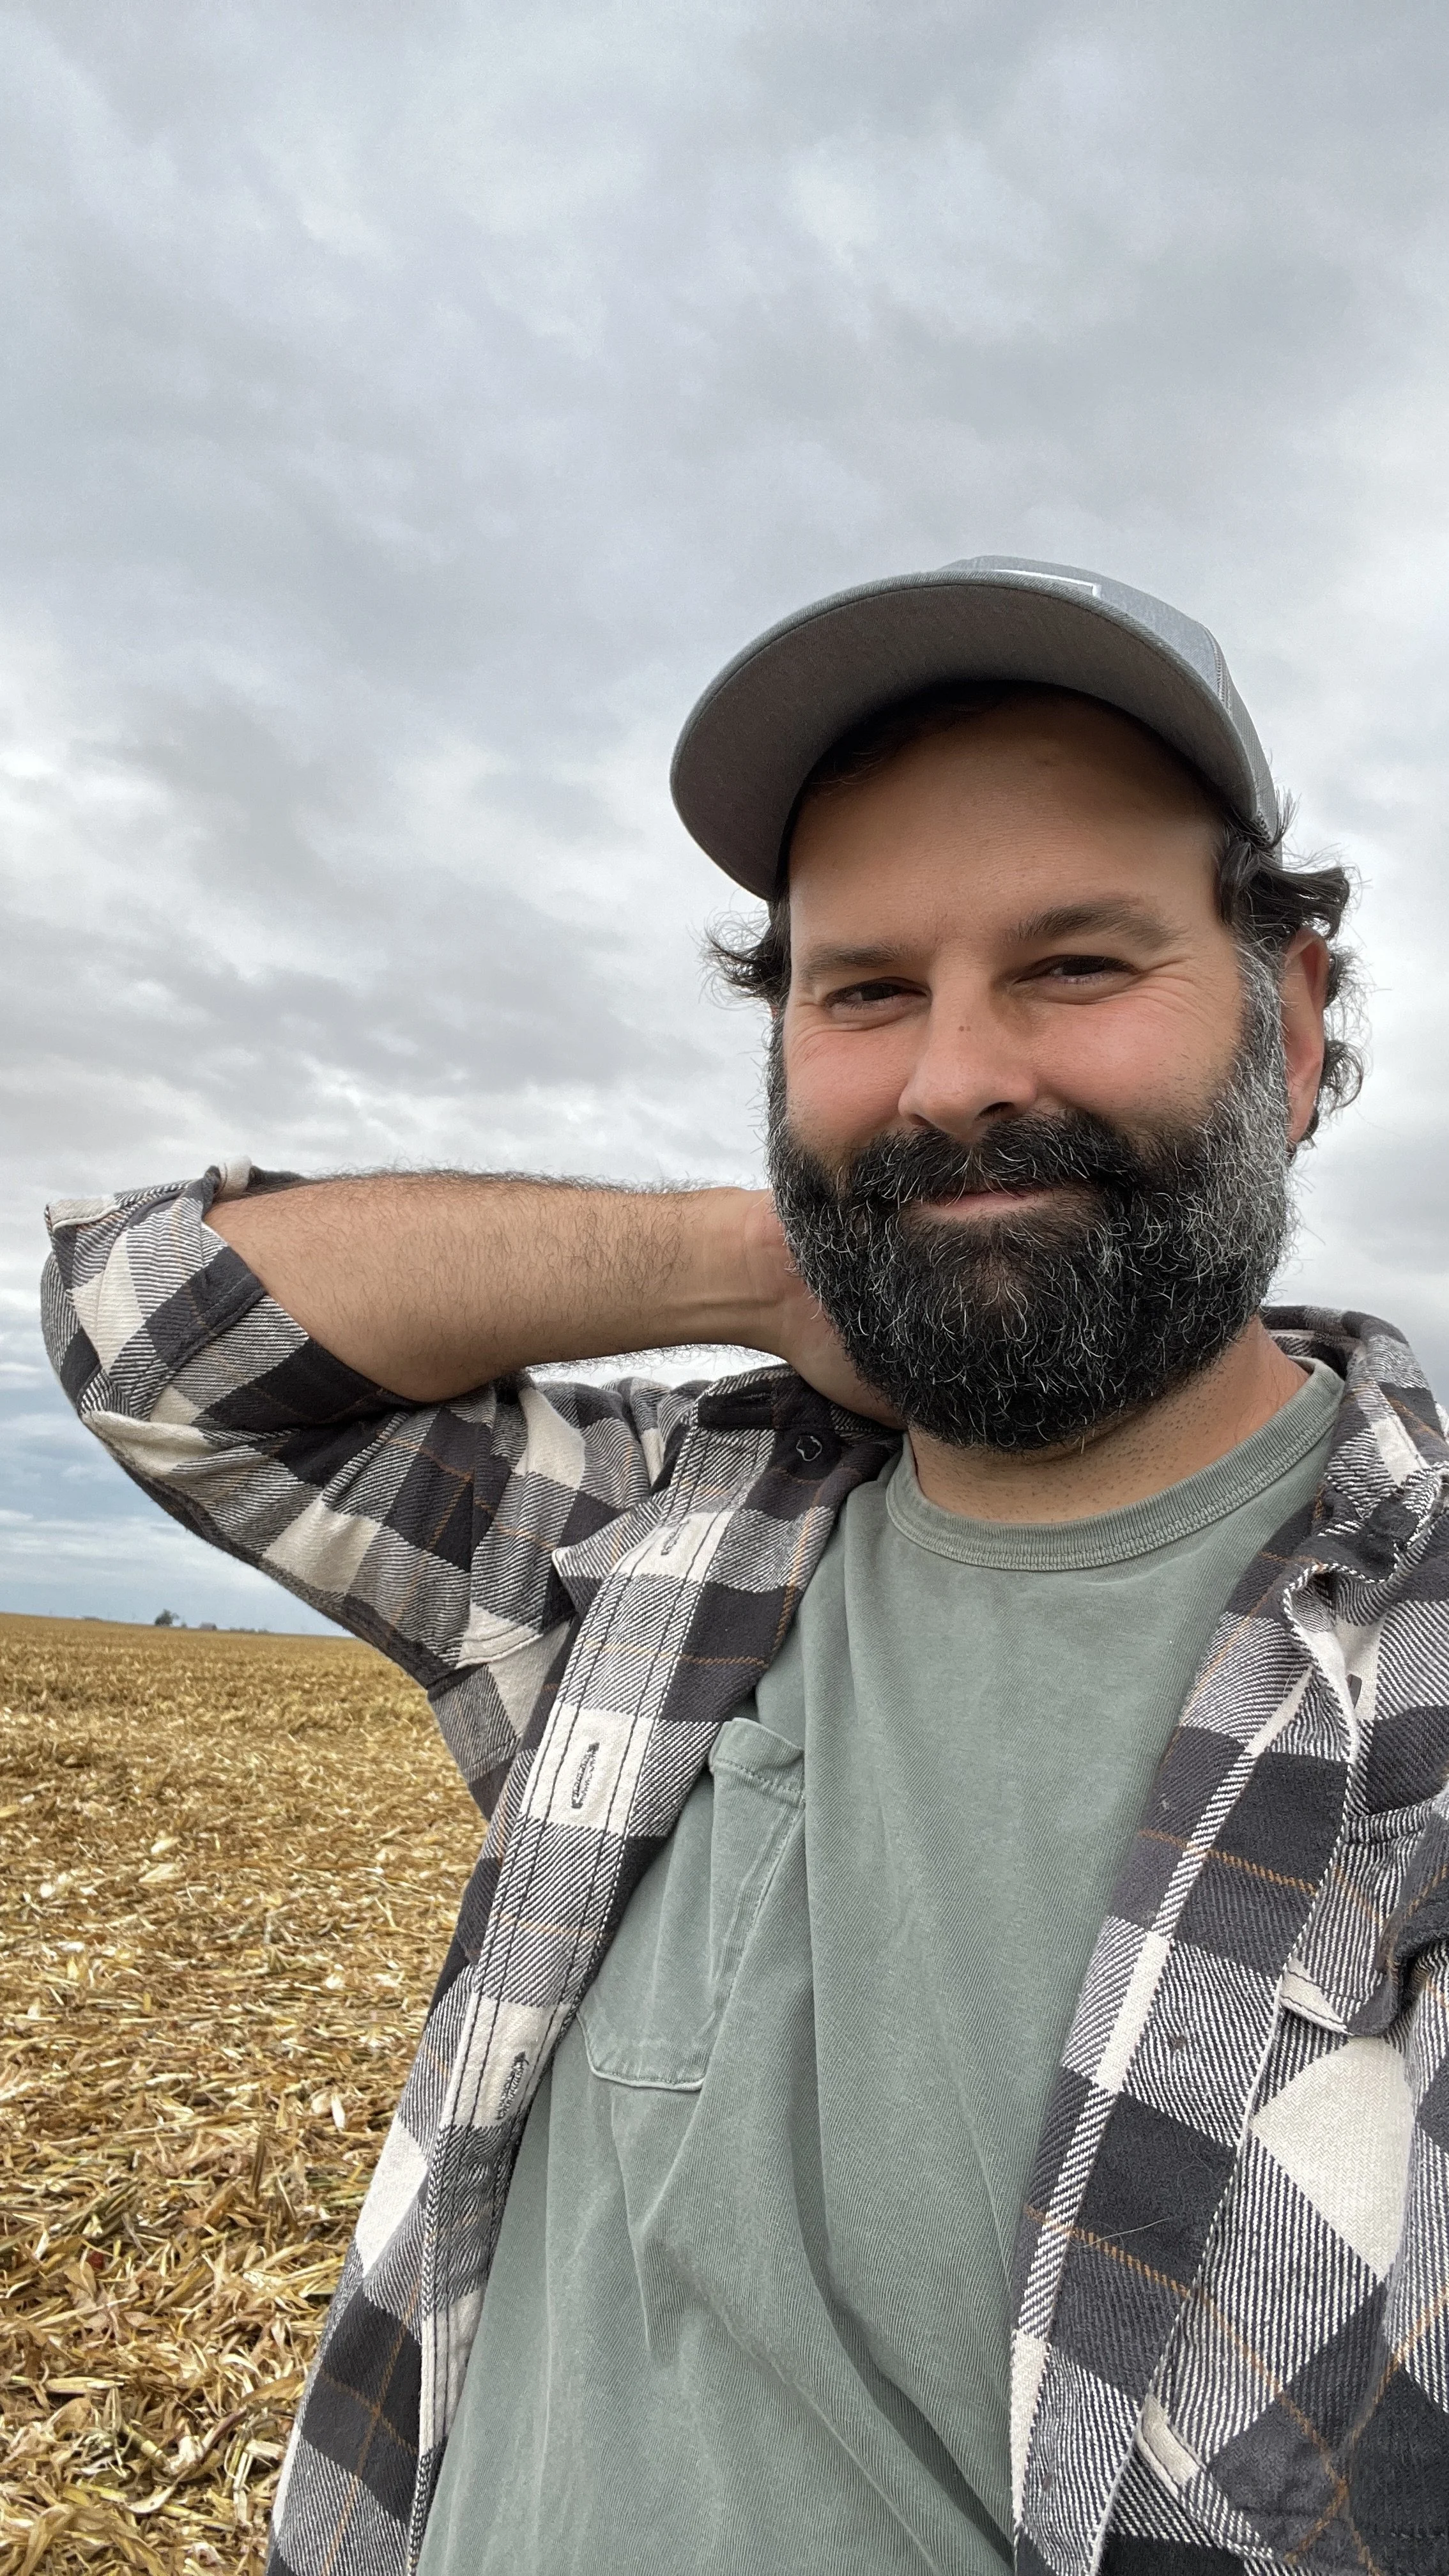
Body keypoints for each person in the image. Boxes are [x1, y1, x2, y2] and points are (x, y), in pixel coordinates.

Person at [42, 558, 1449, 2576]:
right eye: (863, 991)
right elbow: (156, 1337)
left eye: (1072, 965)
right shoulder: (657, 1546)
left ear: (1290, 1023)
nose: (955, 1078)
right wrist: (761, 1259)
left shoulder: (1407, 1686)